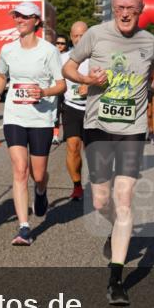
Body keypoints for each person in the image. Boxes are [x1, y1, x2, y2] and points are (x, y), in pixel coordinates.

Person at [63, 0, 154, 305]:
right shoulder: (95, 35)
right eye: (119, 8)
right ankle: (115, 229)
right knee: (101, 201)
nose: (125, 13)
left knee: (123, 199)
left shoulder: (149, 41)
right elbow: (68, 67)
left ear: (140, 9)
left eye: (131, 8)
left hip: (133, 129)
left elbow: (150, 75)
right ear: (112, 9)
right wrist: (87, 80)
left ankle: (116, 278)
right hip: (98, 126)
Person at [0, 2, 65, 246]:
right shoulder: (8, 50)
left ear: (36, 21)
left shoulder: (49, 51)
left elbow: (61, 84)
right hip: (15, 116)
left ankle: (41, 190)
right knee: (20, 169)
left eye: (24, 16)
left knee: (38, 173)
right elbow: (2, 76)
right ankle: (24, 227)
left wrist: (43, 92)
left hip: (41, 117)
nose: (19, 20)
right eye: (16, 16)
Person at [61, 22, 89, 201]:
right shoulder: (63, 58)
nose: (79, 39)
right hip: (71, 107)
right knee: (72, 146)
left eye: (82, 35)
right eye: (75, 36)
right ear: (71, 37)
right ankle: (77, 185)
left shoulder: (98, 56)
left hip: (94, 108)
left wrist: (91, 86)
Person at [53, 34, 70, 144]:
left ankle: (68, 134)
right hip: (55, 87)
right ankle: (55, 135)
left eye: (62, 43)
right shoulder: (51, 55)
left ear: (66, 45)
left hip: (68, 88)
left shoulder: (69, 56)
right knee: (55, 112)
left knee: (66, 112)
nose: (59, 45)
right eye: (57, 43)